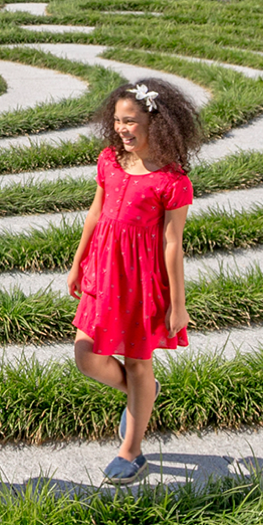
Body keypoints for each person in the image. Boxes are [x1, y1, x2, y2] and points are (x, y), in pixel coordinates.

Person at [67, 78, 202, 485]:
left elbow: (172, 244)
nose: (123, 129)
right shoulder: (109, 160)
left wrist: (178, 304)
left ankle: (132, 450)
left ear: (156, 123)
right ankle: (141, 396)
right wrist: (78, 262)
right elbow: (95, 213)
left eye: (132, 121)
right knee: (86, 355)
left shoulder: (172, 181)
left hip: (143, 279)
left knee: (139, 361)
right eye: (118, 121)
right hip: (104, 270)